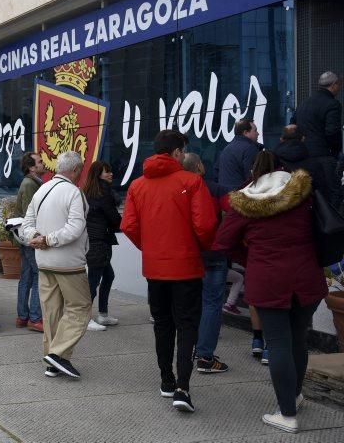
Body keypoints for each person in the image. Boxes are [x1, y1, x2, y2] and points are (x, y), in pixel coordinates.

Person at [213, 150, 328, 434]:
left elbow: (222, 242)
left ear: (252, 172)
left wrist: (250, 256)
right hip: (306, 278)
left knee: (277, 344)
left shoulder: (244, 204)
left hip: (268, 280)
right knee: (298, 341)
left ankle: (287, 413)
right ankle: (296, 396)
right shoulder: (303, 195)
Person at [121, 130, 217, 413]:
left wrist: (149, 247)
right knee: (187, 325)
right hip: (186, 265)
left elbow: (128, 226)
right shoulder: (192, 182)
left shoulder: (138, 186)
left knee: (163, 324)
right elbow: (205, 226)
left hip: (155, 266)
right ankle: (182, 387)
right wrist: (199, 246)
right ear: (177, 152)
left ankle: (166, 379)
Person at [20, 151, 92, 379]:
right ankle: (58, 354)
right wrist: (46, 239)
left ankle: (53, 360)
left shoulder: (42, 189)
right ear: (76, 170)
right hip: (68, 262)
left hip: (44, 261)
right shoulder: (73, 192)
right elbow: (75, 228)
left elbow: (26, 223)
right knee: (80, 307)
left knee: (52, 311)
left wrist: (36, 237)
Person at [181, 152, 230, 374]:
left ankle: (189, 351)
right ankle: (205, 355)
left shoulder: (177, 189)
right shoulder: (216, 189)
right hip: (213, 252)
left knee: (191, 303)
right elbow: (234, 214)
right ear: (199, 166)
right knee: (211, 303)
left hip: (188, 253)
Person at [293, 71, 342, 209]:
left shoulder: (303, 103)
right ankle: (330, 228)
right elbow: (333, 132)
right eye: (339, 85)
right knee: (332, 194)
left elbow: (293, 125)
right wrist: (335, 152)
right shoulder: (332, 104)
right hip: (323, 157)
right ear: (334, 85)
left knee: (309, 196)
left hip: (303, 157)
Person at [83, 160, 122, 331]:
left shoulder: (89, 192)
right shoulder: (103, 193)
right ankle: (85, 318)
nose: (111, 174)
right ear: (98, 174)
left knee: (108, 276)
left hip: (93, 240)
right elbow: (114, 218)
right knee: (93, 280)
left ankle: (103, 315)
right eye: (107, 171)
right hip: (99, 241)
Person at [14, 151, 45, 332]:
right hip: (30, 238)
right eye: (40, 162)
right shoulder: (30, 184)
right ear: (32, 167)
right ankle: (34, 318)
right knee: (38, 276)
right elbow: (29, 215)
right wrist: (36, 237)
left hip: (26, 238)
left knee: (26, 276)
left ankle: (23, 316)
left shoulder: (32, 183)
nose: (43, 164)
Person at [215, 118, 263, 193]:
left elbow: (216, 171)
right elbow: (251, 177)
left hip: (224, 195)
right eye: (255, 130)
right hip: (240, 196)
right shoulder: (250, 148)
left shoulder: (227, 148)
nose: (258, 133)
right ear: (245, 132)